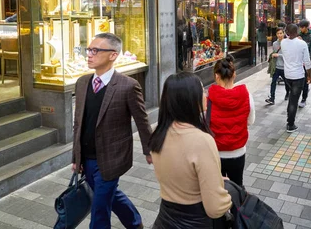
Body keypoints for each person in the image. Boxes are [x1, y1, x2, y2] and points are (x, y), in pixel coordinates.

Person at [72, 33, 153, 229]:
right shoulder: (82, 83)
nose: (89, 55)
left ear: (113, 55)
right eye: (88, 50)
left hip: (112, 157)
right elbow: (78, 123)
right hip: (87, 158)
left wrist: (149, 149)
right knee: (108, 194)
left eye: (95, 50)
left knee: (99, 209)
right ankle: (134, 222)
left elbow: (142, 120)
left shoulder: (128, 86)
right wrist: (76, 157)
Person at [149, 73, 232, 228]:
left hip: (165, 218)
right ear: (190, 99)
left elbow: (182, 176)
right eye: (202, 90)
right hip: (195, 221)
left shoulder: (158, 133)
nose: (206, 93)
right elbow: (215, 208)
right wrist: (231, 197)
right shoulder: (202, 141)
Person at [208, 56, 255, 186]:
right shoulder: (246, 96)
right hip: (238, 151)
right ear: (234, 74)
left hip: (216, 153)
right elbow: (250, 121)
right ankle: (238, 206)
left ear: (216, 76)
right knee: (237, 186)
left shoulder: (209, 99)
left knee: (218, 189)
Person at [281, 23, 311, 133]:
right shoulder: (302, 43)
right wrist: (309, 75)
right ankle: (290, 124)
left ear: (287, 32)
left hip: (287, 75)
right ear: (297, 31)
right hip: (298, 76)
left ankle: (289, 119)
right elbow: (307, 62)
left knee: (291, 98)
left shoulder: (283, 42)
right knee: (294, 101)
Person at [266, 28, 291, 104]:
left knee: (287, 83)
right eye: (278, 33)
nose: (279, 35)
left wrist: (278, 55)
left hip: (284, 67)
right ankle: (272, 98)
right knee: (273, 82)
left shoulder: (287, 43)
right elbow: (274, 53)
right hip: (276, 67)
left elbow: (288, 56)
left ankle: (287, 93)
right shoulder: (274, 44)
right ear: (276, 34)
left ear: (283, 34)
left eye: (281, 33)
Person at [298, 20, 311, 108]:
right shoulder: (298, 35)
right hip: (297, 62)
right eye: (300, 27)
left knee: (306, 81)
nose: (300, 29)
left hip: (306, 62)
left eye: (302, 27)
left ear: (306, 27)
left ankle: (304, 98)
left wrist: (307, 61)